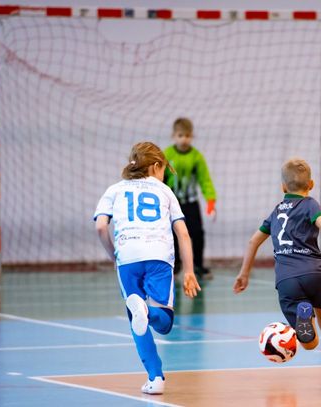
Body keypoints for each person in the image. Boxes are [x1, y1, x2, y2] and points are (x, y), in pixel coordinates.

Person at [233, 158, 321, 391]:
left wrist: (244, 274)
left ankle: (304, 316)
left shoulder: (275, 212)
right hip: (314, 273)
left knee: (309, 344)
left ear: (283, 187)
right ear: (311, 184)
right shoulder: (310, 205)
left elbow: (253, 241)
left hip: (287, 280)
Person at [94, 141, 201, 395]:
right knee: (164, 323)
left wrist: (113, 255)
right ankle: (149, 313)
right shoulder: (164, 191)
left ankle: (155, 377)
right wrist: (189, 271)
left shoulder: (114, 190)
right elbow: (183, 233)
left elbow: (100, 226)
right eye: (163, 169)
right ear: (155, 166)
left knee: (136, 318)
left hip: (127, 256)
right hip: (158, 255)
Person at [164, 117, 216, 280]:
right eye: (180, 136)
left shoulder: (196, 157)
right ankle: (175, 264)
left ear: (192, 136)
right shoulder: (167, 154)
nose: (184, 139)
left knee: (197, 233)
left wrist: (210, 201)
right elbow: (160, 178)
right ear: (174, 136)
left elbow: (205, 180)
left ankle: (198, 265)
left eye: (187, 136)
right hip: (172, 203)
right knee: (172, 234)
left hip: (191, 203)